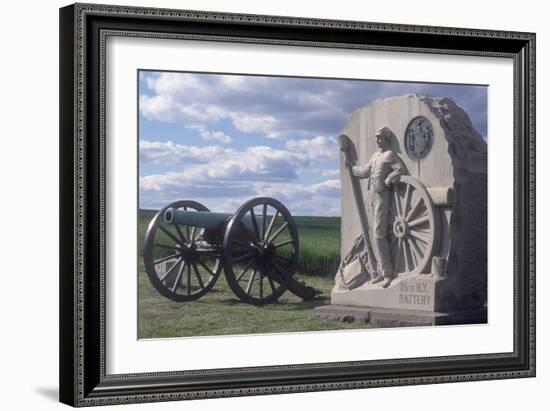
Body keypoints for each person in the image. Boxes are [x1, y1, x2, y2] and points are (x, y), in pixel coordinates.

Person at [348, 127, 406, 288]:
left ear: (387, 139)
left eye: (380, 138)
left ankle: (388, 273)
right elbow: (366, 171)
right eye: (377, 139)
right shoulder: (375, 156)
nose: (378, 141)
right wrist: (352, 168)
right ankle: (380, 272)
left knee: (379, 234)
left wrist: (389, 179)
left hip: (382, 194)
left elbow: (401, 170)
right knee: (374, 236)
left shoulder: (390, 155)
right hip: (371, 195)